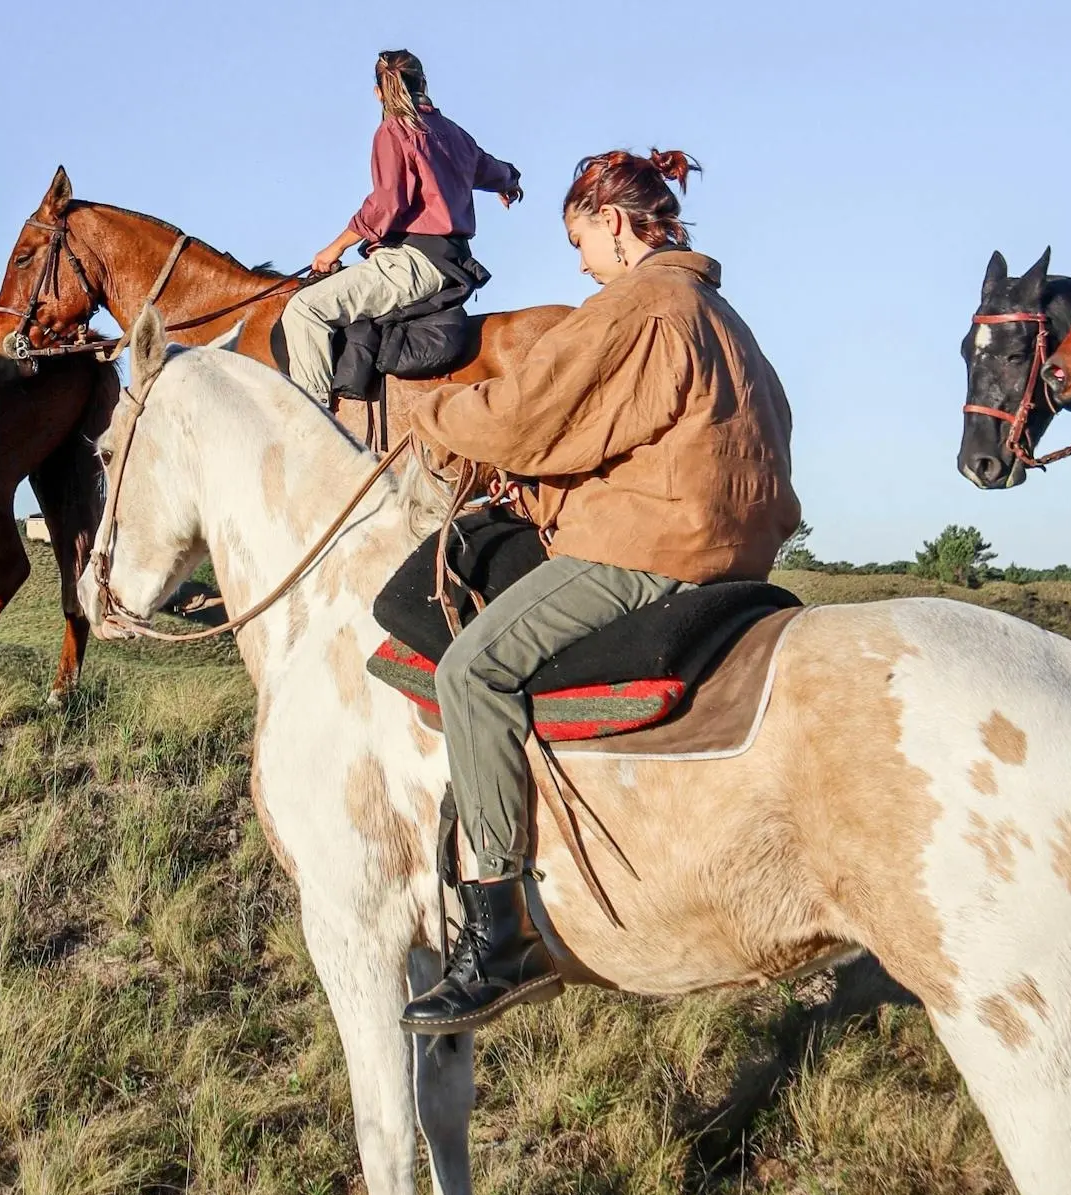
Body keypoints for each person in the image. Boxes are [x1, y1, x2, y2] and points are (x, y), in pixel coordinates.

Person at [397, 150, 800, 1035]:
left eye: (580, 241)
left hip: (652, 549)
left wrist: (422, 412)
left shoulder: (635, 305)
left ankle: (497, 929)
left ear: (612, 224)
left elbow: (528, 416)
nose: (579, 262)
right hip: (738, 553)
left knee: (471, 671)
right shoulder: (721, 316)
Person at [280, 50, 522, 409]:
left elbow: (388, 203)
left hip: (411, 262)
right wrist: (509, 181)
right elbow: (490, 168)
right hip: (451, 262)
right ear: (423, 82)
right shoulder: (453, 133)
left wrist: (336, 248)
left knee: (303, 310)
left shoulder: (393, 130)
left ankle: (312, 422)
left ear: (379, 92)